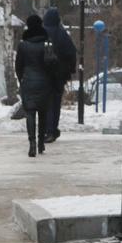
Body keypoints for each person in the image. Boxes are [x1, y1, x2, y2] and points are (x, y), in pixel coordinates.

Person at [13, 13, 57, 157]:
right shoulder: (47, 43)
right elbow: (53, 64)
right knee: (43, 113)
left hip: (28, 82)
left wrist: (22, 80)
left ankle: (32, 144)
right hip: (45, 82)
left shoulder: (23, 45)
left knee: (30, 113)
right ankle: (41, 143)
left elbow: (18, 66)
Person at [41, 7, 79, 142]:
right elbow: (71, 53)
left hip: (43, 74)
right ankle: (52, 129)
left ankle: (47, 130)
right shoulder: (62, 34)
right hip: (59, 75)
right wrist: (69, 70)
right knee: (55, 103)